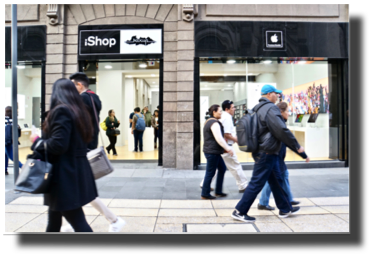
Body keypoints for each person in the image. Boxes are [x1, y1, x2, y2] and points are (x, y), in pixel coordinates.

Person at [28, 78, 97, 232]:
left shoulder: (61, 111)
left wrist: (37, 141)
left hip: (63, 176)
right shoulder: (81, 112)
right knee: (54, 220)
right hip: (74, 171)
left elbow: (58, 145)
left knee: (78, 221)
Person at [231, 84, 307, 222]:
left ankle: (285, 208)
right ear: (268, 94)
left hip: (263, 150)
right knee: (257, 182)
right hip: (266, 151)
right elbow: (281, 130)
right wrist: (297, 146)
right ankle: (239, 211)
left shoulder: (256, 108)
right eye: (275, 93)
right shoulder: (271, 108)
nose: (277, 96)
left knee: (276, 180)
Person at [68, 72, 125, 232]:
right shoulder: (95, 97)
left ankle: (113, 219)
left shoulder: (83, 98)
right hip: (89, 144)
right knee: (79, 188)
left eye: (73, 85)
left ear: (79, 85)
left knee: (82, 188)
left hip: (83, 146)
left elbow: (79, 122)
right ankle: (75, 221)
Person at [258, 102, 310, 210]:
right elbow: (289, 142)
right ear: (281, 112)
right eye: (287, 111)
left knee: (280, 177)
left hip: (277, 158)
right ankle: (272, 203)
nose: (289, 113)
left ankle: (285, 200)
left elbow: (288, 143)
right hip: (275, 157)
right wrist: (303, 153)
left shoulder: (279, 123)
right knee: (276, 179)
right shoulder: (278, 125)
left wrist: (303, 155)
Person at [199, 100, 248, 193]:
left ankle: (205, 185)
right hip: (223, 147)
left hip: (219, 148)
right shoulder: (224, 119)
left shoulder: (217, 119)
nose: (234, 109)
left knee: (217, 168)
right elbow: (225, 135)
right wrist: (230, 145)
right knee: (234, 165)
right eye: (233, 107)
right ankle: (243, 185)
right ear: (227, 109)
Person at [201, 104, 233, 199]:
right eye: (220, 111)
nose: (221, 113)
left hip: (213, 151)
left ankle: (218, 191)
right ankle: (205, 193)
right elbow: (219, 139)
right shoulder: (214, 123)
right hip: (212, 152)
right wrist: (228, 148)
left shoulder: (209, 121)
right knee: (210, 172)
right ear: (214, 112)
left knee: (222, 168)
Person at [5, 106, 23, 175]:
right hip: (11, 141)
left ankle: (23, 167)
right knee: (6, 155)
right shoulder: (14, 120)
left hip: (6, 141)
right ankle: (5, 169)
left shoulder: (5, 120)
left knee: (12, 157)